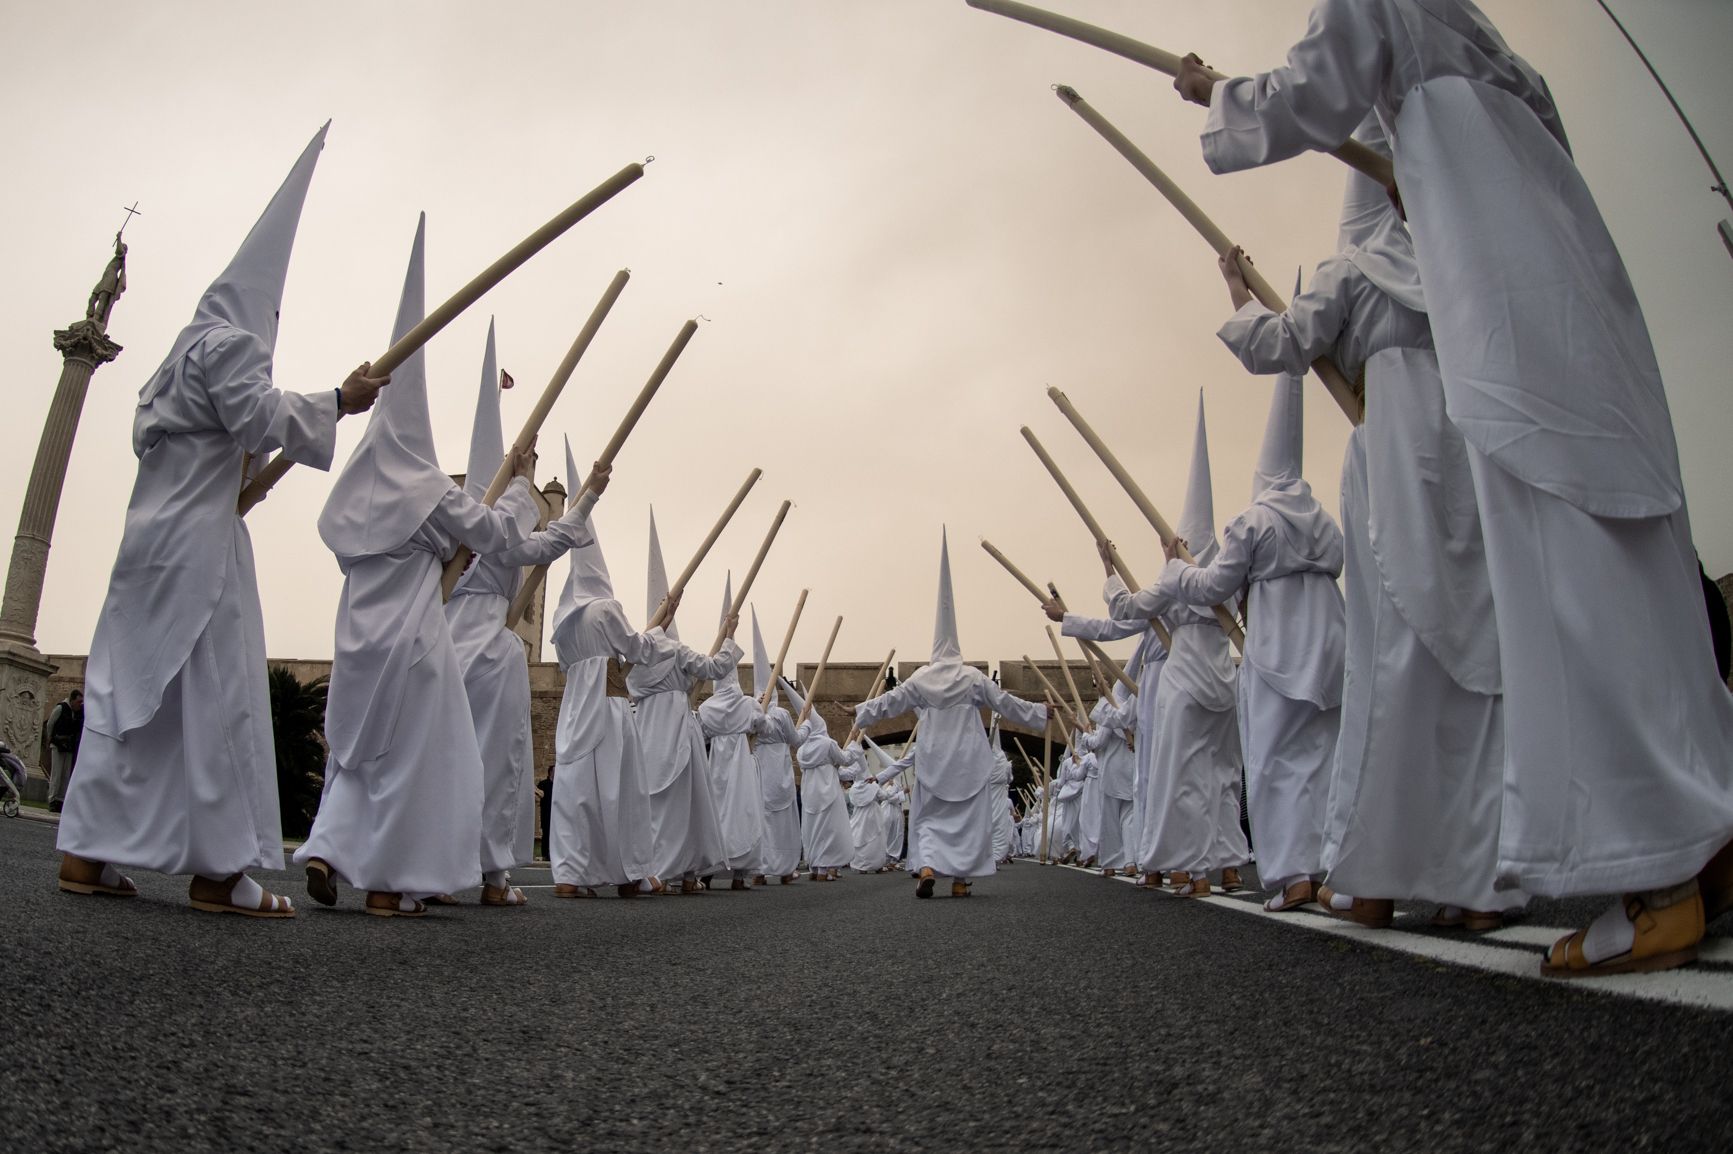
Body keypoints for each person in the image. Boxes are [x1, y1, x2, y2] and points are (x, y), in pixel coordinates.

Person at [1178, 0, 1733, 975]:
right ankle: (1696, 835)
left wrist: (1214, 95)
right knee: (1610, 577)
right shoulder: (1507, 80)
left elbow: (1308, 92)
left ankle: (1657, 875)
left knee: (1537, 610)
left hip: (1484, 406)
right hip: (1574, 335)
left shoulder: (1378, 254)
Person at [58, 124, 388, 918]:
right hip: (202, 547)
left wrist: (242, 474)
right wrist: (337, 401)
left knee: (129, 694)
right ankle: (219, 873)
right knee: (215, 697)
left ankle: (87, 853)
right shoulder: (230, 345)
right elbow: (255, 412)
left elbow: (204, 442)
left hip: (148, 544)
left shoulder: (173, 355)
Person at [295, 217, 601, 918]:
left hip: (356, 632)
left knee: (355, 749)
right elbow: (498, 531)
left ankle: (326, 846)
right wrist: (524, 483)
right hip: (416, 632)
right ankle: (387, 883)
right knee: (421, 757)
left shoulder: (355, 490)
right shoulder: (430, 490)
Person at [1155, 375, 1345, 912]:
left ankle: (1291, 876)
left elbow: (1215, 585)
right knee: (1319, 759)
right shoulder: (1326, 523)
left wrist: (1176, 569)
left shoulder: (1253, 520)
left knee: (1273, 762)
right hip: (1329, 643)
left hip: (1278, 647)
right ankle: (1324, 862)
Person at [850, 530, 1047, 898]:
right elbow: (1006, 703)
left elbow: (889, 703)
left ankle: (927, 866)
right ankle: (959, 880)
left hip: (934, 756)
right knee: (968, 822)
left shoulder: (922, 678)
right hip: (968, 760)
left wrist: (860, 712)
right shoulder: (972, 678)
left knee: (929, 819)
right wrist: (1039, 713)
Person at [445, 320, 554, 905]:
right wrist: (530, 480)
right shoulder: (490, 520)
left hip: (436, 643)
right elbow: (533, 536)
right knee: (494, 758)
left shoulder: (443, 514)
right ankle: (490, 874)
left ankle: (431, 863)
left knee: (435, 751)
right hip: (487, 645)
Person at [546, 437, 676, 899]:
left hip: (576, 702)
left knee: (576, 786)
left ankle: (569, 872)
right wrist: (660, 623)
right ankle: (631, 870)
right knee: (622, 788)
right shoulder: (605, 608)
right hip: (610, 703)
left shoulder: (563, 621)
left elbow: (566, 662)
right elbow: (635, 649)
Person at [628, 510, 743, 896]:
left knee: (656, 796)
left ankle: (677, 869)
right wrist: (728, 636)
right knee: (685, 799)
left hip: (647, 726)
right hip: (676, 725)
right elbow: (715, 666)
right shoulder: (674, 650)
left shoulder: (637, 652)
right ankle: (679, 870)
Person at [698, 578, 768, 891]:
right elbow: (760, 724)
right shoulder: (746, 705)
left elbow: (700, 732)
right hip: (739, 760)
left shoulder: (710, 708)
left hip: (718, 764)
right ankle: (739, 874)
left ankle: (710, 867)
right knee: (741, 809)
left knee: (718, 809)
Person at [782, 677, 859, 883]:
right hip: (829, 791)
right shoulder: (827, 743)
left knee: (812, 828)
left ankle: (815, 867)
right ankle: (824, 870)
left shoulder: (802, 749)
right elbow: (844, 759)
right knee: (829, 829)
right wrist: (853, 745)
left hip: (809, 792)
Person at [747, 610, 803, 885]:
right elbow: (796, 740)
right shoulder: (780, 715)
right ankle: (783, 868)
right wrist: (804, 727)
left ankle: (759, 867)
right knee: (781, 819)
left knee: (762, 816)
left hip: (759, 765)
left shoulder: (751, 708)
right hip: (778, 766)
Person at [44, 690, 83, 814]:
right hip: (58, 744)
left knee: (65, 775)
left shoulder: (77, 713)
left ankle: (60, 800)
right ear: (72, 700)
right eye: (78, 701)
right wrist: (50, 738)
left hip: (68, 746)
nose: (80, 704)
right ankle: (52, 799)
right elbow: (50, 724)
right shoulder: (61, 708)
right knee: (56, 773)